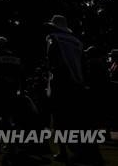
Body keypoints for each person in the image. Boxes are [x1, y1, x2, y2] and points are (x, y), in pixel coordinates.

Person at [44, 15, 103, 165]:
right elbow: (84, 65)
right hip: (78, 84)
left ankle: (66, 152)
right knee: (77, 119)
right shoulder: (78, 42)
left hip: (61, 83)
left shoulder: (52, 37)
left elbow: (52, 60)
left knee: (59, 119)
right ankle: (83, 150)